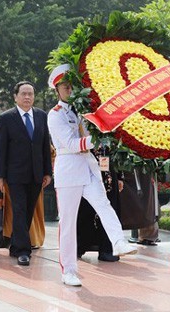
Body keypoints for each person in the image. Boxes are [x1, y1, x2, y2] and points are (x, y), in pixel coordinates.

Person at [46, 64, 137, 285]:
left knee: (104, 204)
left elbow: (92, 132)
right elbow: (69, 143)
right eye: (65, 87)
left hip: (87, 167)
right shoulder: (55, 115)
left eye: (71, 86)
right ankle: (68, 270)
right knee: (68, 222)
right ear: (57, 90)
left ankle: (118, 241)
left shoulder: (83, 111)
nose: (69, 90)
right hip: (68, 170)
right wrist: (95, 139)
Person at [0, 80, 52, 266]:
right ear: (15, 97)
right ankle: (23, 251)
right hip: (15, 175)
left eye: (30, 94)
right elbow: (0, 149)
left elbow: (45, 146)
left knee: (28, 211)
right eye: (24, 94)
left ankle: (16, 245)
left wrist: (47, 173)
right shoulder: (6, 118)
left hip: (36, 174)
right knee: (18, 210)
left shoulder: (42, 116)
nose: (27, 97)